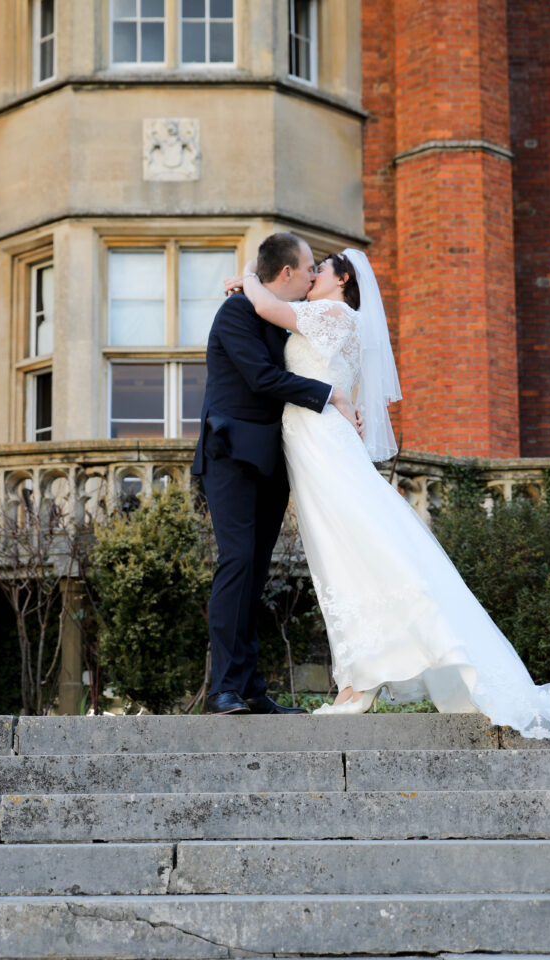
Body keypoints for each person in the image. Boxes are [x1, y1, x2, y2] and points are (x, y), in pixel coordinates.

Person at [227, 246, 550, 738]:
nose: (312, 276)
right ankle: (358, 677)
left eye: (322, 270)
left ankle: (360, 680)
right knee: (342, 553)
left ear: (343, 281)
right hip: (313, 441)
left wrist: (247, 276)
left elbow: (269, 308)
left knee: (350, 554)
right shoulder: (332, 317)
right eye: (310, 269)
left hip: (321, 445)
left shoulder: (333, 313)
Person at [191, 232, 363, 716]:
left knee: (255, 572)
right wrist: (331, 397)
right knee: (237, 563)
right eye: (309, 268)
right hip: (230, 456)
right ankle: (223, 688)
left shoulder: (283, 319)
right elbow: (263, 380)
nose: (313, 276)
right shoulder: (237, 312)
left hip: (271, 461)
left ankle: (249, 687)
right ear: (287, 272)